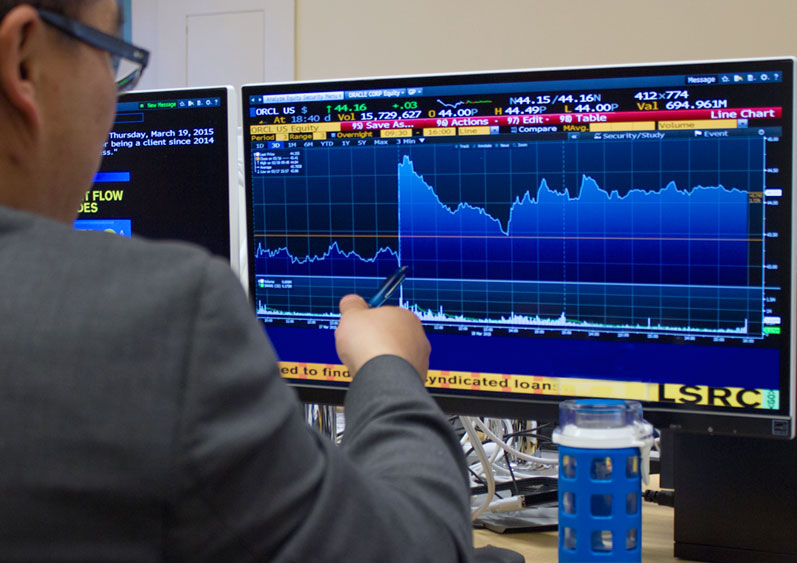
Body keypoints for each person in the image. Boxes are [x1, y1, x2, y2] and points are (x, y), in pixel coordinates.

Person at [0, 1, 473, 560]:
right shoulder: (160, 318)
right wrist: (387, 370)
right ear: (25, 61)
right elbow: (420, 551)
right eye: (112, 58)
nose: (115, 94)